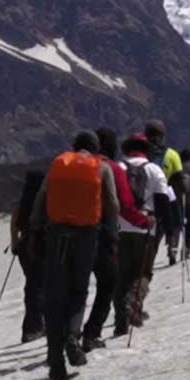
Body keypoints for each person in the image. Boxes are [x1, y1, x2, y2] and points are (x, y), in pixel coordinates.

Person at [28, 131, 120, 380]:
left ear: (74, 146)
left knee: (55, 296)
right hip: (87, 236)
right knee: (79, 291)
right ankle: (73, 334)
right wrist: (111, 236)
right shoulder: (101, 168)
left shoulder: (59, 164)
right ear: (96, 149)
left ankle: (56, 363)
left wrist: (35, 231)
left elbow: (42, 197)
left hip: (56, 235)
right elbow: (112, 205)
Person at [82, 127, 142, 351]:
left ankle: (68, 332)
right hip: (102, 235)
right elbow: (124, 205)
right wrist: (144, 222)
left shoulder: (72, 166)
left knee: (76, 287)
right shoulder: (111, 168)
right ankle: (93, 332)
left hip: (68, 236)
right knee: (109, 283)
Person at [120, 132, 172, 330]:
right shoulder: (154, 170)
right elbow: (162, 202)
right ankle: (134, 303)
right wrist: (166, 227)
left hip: (120, 226)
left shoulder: (119, 168)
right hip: (146, 226)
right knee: (143, 271)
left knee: (123, 273)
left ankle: (120, 323)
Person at [8, 170, 46, 343]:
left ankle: (33, 327)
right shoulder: (44, 199)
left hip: (24, 247)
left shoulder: (23, 201)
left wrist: (15, 244)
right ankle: (36, 326)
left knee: (32, 284)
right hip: (40, 246)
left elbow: (14, 223)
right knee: (40, 286)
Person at [144, 120, 186, 266]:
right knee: (176, 222)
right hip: (167, 193)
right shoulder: (172, 154)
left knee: (155, 230)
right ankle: (173, 248)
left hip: (148, 197)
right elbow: (180, 179)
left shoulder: (143, 155)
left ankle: (149, 256)